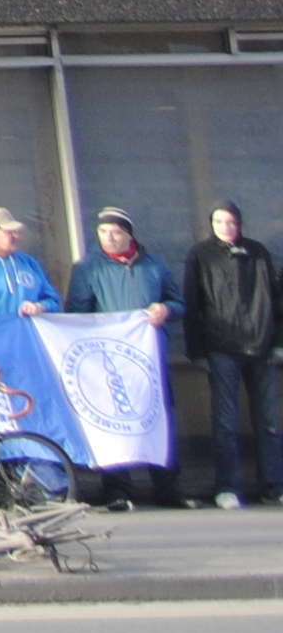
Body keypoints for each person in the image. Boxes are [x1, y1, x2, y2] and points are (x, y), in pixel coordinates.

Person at [68, 207, 181, 508]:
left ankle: (168, 488)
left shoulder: (153, 266)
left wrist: (166, 310)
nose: (109, 237)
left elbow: (177, 301)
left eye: (116, 232)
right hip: (110, 359)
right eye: (103, 232)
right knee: (116, 420)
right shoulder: (88, 268)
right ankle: (118, 490)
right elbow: (76, 312)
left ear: (129, 234)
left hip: (151, 356)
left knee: (161, 418)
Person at [186, 203, 278, 508]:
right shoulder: (201, 255)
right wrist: (197, 350)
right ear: (211, 224)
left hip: (261, 347)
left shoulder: (258, 252)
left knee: (268, 422)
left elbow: (274, 299)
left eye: (230, 221)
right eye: (219, 221)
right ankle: (227, 487)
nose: (225, 226)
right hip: (222, 349)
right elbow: (192, 303)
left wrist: (276, 342)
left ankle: (273, 486)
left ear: (239, 224)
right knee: (225, 422)